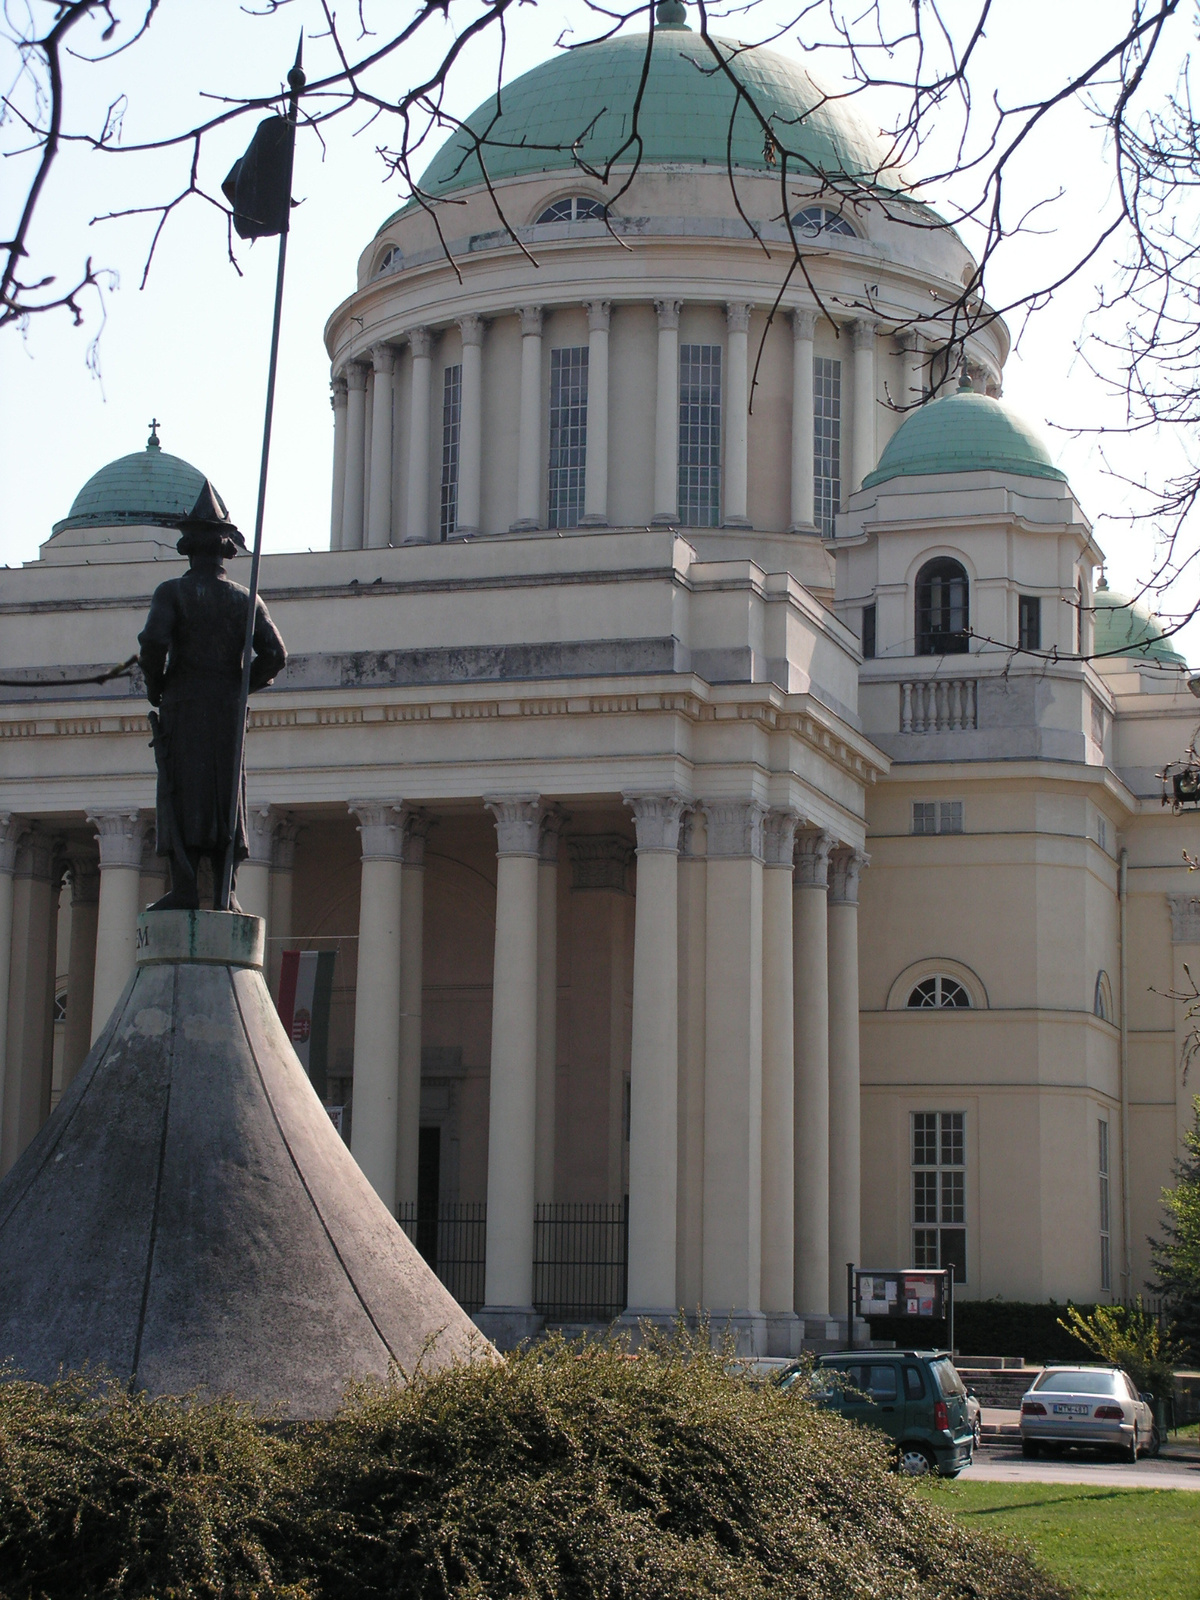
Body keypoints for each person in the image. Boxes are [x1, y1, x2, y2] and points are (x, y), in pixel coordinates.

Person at [138, 482, 287, 910]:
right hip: (226, 710)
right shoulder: (246, 599)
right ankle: (227, 890)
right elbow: (276, 655)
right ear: (225, 549)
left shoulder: (173, 592)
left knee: (182, 795)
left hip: (184, 706)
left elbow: (153, 642)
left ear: (187, 547)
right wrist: (240, 686)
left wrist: (156, 687)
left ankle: (185, 886)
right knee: (225, 799)